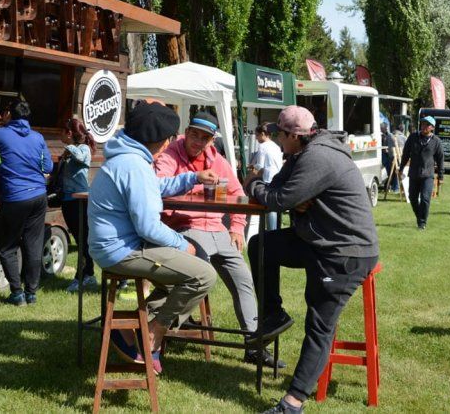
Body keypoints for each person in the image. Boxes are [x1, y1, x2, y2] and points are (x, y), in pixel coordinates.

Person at [244, 106, 379, 414]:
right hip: (319, 243)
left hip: (344, 256)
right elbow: (281, 190)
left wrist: (252, 184)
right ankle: (273, 313)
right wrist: (290, 198)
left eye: (280, 134)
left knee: (319, 322)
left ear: (295, 135)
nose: (278, 140)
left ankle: (292, 404)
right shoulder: (300, 156)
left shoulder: (318, 157)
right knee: (262, 245)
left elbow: (277, 199)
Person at [87, 102, 218, 373]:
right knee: (204, 274)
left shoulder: (127, 158)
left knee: (184, 273)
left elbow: (154, 187)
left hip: (116, 247)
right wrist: (183, 244)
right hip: (123, 252)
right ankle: (152, 334)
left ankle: (130, 329)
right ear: (163, 140)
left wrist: (192, 178)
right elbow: (148, 227)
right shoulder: (134, 165)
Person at [154, 112, 284, 369]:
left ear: (212, 140)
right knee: (196, 276)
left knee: (244, 278)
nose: (198, 142)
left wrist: (237, 227)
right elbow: (158, 184)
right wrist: (193, 180)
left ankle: (253, 345)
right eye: (194, 134)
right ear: (186, 131)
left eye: (205, 138)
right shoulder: (170, 155)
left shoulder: (217, 160)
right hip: (184, 227)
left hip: (217, 229)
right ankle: (156, 332)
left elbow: (237, 191)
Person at [0, 100, 52, 306]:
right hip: (39, 196)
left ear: (8, 114)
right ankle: (32, 294)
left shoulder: (0, 134)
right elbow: (48, 165)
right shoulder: (38, 137)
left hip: (16, 198)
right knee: (33, 246)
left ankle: (17, 294)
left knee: (8, 247)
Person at [58, 118, 97, 293]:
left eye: (62, 132)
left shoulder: (83, 149)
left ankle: (81, 276)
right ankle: (89, 273)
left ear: (69, 133)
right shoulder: (70, 150)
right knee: (79, 238)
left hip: (78, 200)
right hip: (67, 199)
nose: (60, 135)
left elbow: (81, 158)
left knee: (82, 239)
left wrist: (69, 148)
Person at [400, 116, 444, 230]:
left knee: (425, 199)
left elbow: (440, 160)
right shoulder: (413, 137)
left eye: (427, 125)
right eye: (423, 124)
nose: (424, 126)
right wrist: (401, 169)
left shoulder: (436, 141)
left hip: (428, 175)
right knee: (413, 198)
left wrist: (441, 176)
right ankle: (420, 217)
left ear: (432, 128)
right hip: (414, 173)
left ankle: (422, 223)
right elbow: (405, 154)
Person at [250, 122, 284, 230]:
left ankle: (270, 231)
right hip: (278, 177)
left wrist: (251, 171)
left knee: (269, 207)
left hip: (268, 178)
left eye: (257, 135)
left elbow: (260, 165)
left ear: (263, 134)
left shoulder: (262, 146)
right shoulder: (276, 146)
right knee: (276, 206)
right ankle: (275, 230)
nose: (256, 138)